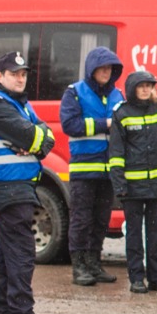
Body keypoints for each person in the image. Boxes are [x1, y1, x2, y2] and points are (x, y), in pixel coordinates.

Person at [0, 51, 58, 314]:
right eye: (14, 74)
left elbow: (47, 136)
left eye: (23, 74)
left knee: (5, 255)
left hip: (17, 186)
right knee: (22, 252)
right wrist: (37, 138)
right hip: (8, 187)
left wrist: (38, 138)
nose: (21, 78)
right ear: (0, 77)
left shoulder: (18, 103)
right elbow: (34, 136)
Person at [108, 70, 157, 293]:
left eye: (149, 85)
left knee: (155, 233)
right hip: (132, 187)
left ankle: (155, 277)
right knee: (134, 234)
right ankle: (136, 278)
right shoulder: (122, 113)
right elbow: (116, 152)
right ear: (132, 88)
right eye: (141, 86)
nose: (145, 89)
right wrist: (119, 184)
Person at [59, 47, 123, 287]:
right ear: (92, 69)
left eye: (110, 68)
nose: (106, 72)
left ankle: (94, 264)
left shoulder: (117, 94)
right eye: (102, 68)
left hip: (109, 169)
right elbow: (70, 124)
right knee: (81, 219)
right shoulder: (74, 93)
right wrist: (104, 124)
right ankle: (79, 267)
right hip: (84, 168)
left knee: (101, 219)